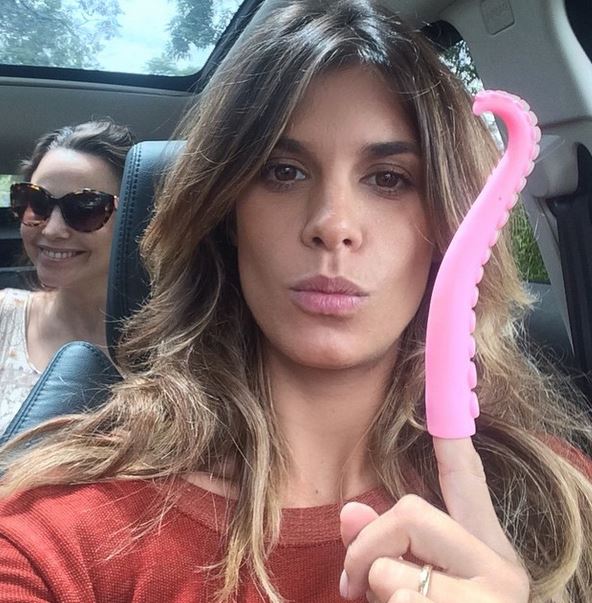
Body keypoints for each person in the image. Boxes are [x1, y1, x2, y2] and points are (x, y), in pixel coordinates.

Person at [0, 2, 591, 601]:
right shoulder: (61, 531)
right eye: (283, 171)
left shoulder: (561, 498)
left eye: (389, 178)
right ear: (228, 214)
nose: (332, 225)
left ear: (446, 225)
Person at [0, 120, 135, 433]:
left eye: (86, 207)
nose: (52, 230)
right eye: (37, 203)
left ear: (135, 216)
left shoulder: (180, 345)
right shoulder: (4, 316)